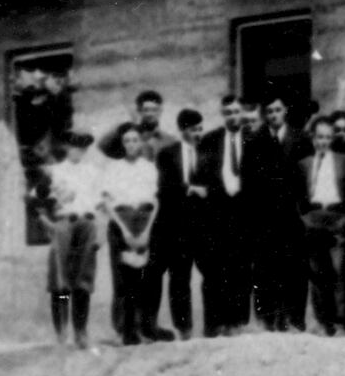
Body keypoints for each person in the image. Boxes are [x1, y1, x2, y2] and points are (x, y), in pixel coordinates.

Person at [299, 112, 345, 333]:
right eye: (319, 137)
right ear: (312, 138)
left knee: (340, 273)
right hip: (314, 219)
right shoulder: (303, 164)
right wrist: (305, 217)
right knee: (318, 273)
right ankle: (324, 322)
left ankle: (343, 321)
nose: (323, 142)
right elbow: (297, 196)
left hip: (338, 219)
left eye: (327, 137)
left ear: (333, 138)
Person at [39, 128, 105, 348]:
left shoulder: (93, 171)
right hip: (64, 223)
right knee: (61, 282)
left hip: (86, 224)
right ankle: (61, 333)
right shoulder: (54, 171)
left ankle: (80, 331)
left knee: (83, 280)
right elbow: (35, 201)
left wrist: (100, 232)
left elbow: (100, 204)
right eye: (75, 145)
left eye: (83, 146)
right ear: (67, 146)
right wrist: (48, 224)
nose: (79, 150)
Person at [101, 122, 166, 343]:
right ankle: (126, 329)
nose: (131, 144)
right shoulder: (114, 168)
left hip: (145, 221)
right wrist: (124, 230)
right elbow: (108, 203)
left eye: (135, 140)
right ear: (122, 144)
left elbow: (155, 201)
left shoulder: (148, 167)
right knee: (123, 279)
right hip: (122, 222)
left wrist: (147, 230)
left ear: (141, 143)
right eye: (127, 140)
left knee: (146, 277)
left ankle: (147, 326)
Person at [195, 96, 255, 333]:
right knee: (214, 270)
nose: (232, 116)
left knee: (241, 270)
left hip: (244, 213)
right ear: (223, 114)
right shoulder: (210, 140)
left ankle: (237, 323)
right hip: (217, 214)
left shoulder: (254, 140)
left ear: (241, 113)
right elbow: (200, 177)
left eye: (236, 111)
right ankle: (214, 325)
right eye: (227, 112)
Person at [246, 96, 306, 328]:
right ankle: (268, 319)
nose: (273, 115)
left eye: (277, 110)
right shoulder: (255, 141)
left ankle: (294, 319)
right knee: (266, 269)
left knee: (293, 268)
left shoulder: (300, 138)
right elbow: (249, 181)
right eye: (269, 111)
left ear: (285, 111)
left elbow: (305, 177)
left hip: (292, 214)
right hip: (265, 215)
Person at [155, 106, 209, 338]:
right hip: (177, 226)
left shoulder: (208, 153)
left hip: (203, 225)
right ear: (183, 130)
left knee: (212, 275)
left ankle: (213, 326)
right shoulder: (168, 154)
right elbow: (165, 187)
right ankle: (184, 328)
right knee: (180, 278)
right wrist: (191, 189)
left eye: (200, 129)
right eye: (194, 130)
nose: (198, 134)